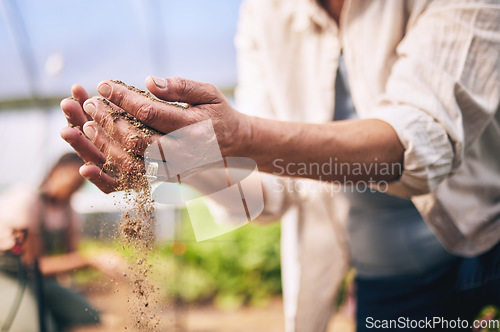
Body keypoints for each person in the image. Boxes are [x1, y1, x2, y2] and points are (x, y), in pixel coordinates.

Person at [61, 0, 500, 331]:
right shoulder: (266, 12)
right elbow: (273, 191)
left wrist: (240, 137)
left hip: (485, 247)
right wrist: (185, 161)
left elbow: (424, 140)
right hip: (390, 278)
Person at [0, 153, 122, 331]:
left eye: (79, 184)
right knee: (36, 327)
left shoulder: (69, 212)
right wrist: (91, 259)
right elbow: (33, 264)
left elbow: (69, 259)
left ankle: (45, 312)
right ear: (55, 172)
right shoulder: (27, 201)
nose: (74, 186)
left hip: (37, 279)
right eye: (71, 179)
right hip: (8, 274)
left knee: (88, 316)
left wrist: (75, 279)